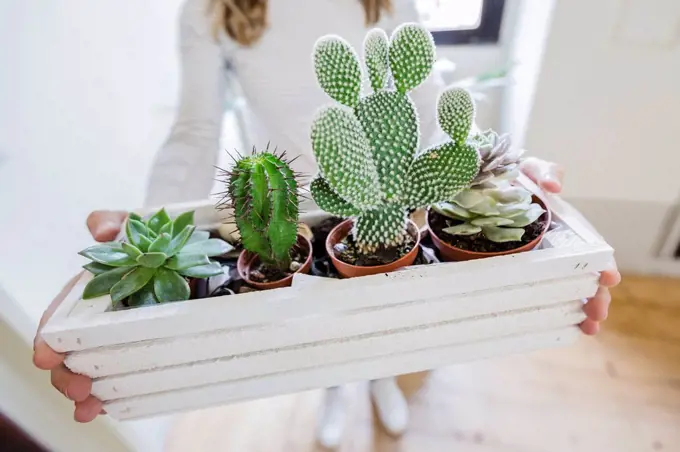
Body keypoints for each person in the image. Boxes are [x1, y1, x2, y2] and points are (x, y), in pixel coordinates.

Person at [32, 0, 621, 447]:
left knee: (397, 325)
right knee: (327, 330)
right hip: (303, 211)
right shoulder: (216, 9)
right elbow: (194, 130)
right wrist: (155, 228)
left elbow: (423, 100)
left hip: (400, 194)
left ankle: (383, 378)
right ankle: (341, 385)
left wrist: (491, 175)